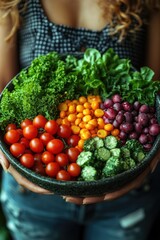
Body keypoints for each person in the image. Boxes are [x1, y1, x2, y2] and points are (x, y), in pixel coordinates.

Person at [0, 0, 160, 239]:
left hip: (126, 198)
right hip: (34, 191)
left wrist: (150, 159)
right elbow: (4, 90)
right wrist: (5, 154)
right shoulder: (9, 3)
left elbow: (153, 94)